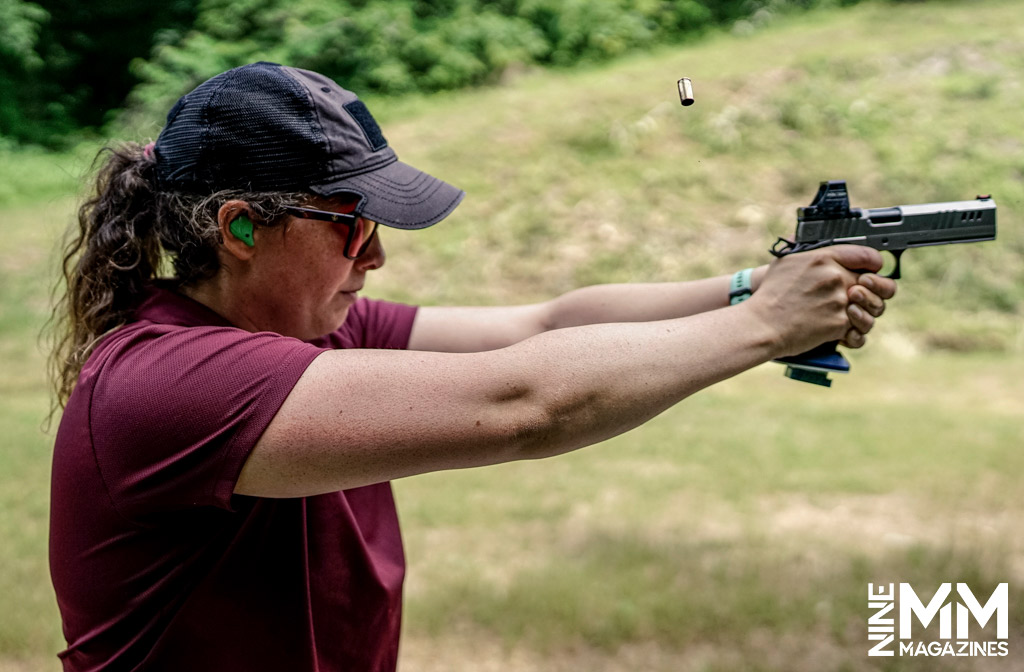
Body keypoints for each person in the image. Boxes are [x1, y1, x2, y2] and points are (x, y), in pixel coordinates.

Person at [48, 61, 896, 672]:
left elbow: (547, 322)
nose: (375, 256)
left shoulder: (314, 334)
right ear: (238, 229)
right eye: (352, 225)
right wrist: (766, 326)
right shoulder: (175, 383)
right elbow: (527, 401)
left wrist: (757, 285)